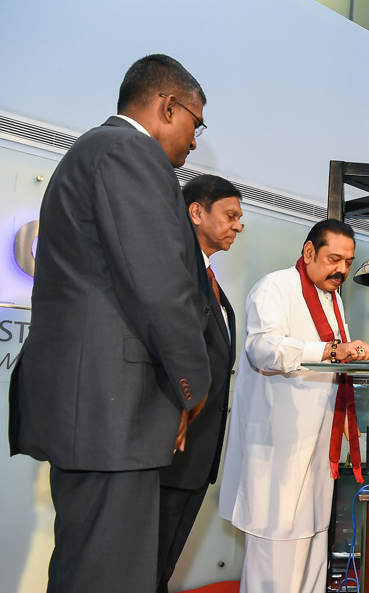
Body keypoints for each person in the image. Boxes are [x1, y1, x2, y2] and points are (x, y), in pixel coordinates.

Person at [7, 54, 212, 593]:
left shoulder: (94, 152)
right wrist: (195, 384)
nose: (194, 141)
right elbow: (160, 287)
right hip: (112, 411)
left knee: (88, 567)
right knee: (111, 575)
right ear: (168, 106)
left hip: (96, 412)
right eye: (196, 122)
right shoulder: (128, 152)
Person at [218, 219, 369, 593]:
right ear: (309, 252)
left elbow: (332, 360)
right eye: (334, 258)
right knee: (275, 550)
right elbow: (262, 349)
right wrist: (332, 350)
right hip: (279, 447)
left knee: (313, 544)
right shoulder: (274, 287)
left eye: (348, 261)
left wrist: (355, 356)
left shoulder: (333, 298)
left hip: (318, 445)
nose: (342, 269)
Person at [157, 175, 244, 593]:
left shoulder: (210, 280)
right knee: (143, 566)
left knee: (161, 566)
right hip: (170, 451)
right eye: (230, 215)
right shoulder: (174, 271)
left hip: (196, 457)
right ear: (196, 212)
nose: (238, 225)